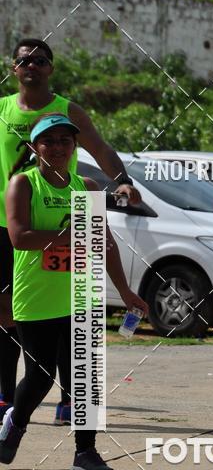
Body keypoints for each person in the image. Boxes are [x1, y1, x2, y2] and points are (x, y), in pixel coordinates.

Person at [0, 38, 141, 426]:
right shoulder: (3, 109)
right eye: (24, 61)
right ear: (14, 68)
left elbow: (101, 149)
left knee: (73, 312)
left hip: (63, 219)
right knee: (6, 315)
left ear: (51, 68)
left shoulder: (67, 111)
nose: (32, 66)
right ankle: (7, 398)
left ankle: (70, 402)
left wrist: (123, 181)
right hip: (9, 226)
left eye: (40, 60)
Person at [0, 113, 148, 470]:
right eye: (48, 141)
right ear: (35, 147)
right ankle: (15, 422)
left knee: (86, 376)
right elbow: (20, 237)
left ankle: (86, 453)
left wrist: (126, 291)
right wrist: (72, 234)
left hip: (82, 293)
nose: (57, 147)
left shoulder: (87, 187)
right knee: (40, 377)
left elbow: (105, 243)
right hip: (37, 296)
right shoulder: (24, 183)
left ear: (74, 146)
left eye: (65, 141)